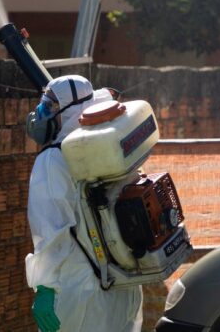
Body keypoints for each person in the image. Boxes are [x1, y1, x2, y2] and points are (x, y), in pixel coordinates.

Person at [25, 75, 143, 332]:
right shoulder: (108, 144)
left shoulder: (52, 160)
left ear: (69, 110)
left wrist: (45, 287)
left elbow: (51, 233)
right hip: (123, 288)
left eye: (51, 105)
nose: (42, 112)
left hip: (78, 294)